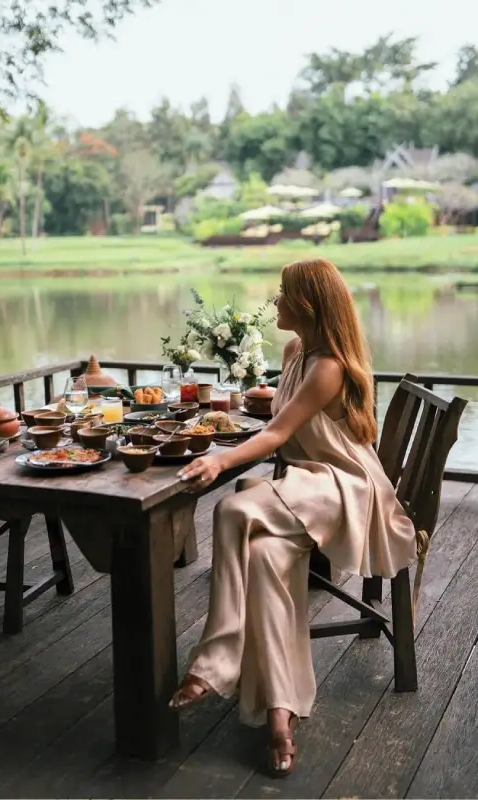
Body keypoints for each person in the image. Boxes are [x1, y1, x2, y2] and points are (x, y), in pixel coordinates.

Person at [170, 258, 416, 777]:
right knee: (263, 555)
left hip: (344, 488)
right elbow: (281, 420)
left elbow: (278, 434)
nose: (275, 300)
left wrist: (217, 459)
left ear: (306, 304)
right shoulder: (295, 351)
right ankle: (280, 717)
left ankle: (218, 658)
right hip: (302, 484)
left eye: (283, 293)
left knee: (235, 506)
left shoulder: (328, 365)